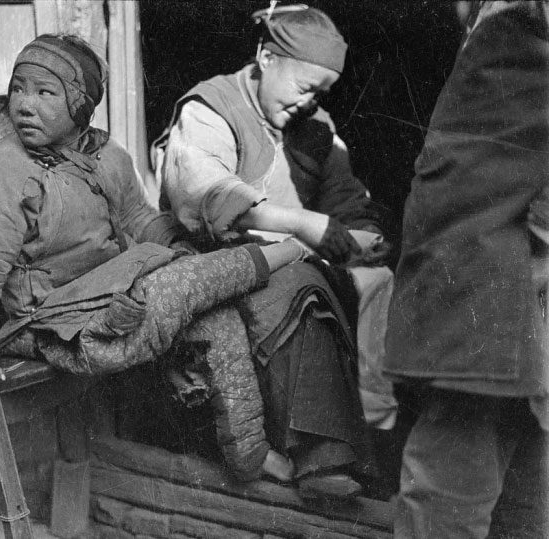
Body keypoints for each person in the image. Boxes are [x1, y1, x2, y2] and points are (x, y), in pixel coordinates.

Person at [0, 33, 321, 485]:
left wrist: (184, 251)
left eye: (44, 92)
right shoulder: (1, 170)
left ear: (81, 105)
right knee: (179, 287)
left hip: (108, 297)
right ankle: (294, 247)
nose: (24, 103)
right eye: (18, 88)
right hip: (48, 325)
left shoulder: (104, 156)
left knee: (212, 311)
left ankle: (249, 452)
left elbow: (139, 220)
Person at [154, 4, 396, 495]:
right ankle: (321, 457)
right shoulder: (211, 109)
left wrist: (363, 234)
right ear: (267, 56)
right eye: (306, 88)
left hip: (290, 259)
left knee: (379, 279)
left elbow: (346, 200)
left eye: (322, 94)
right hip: (217, 264)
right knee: (300, 288)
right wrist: (302, 223)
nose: (311, 103)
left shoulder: (315, 127)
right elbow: (204, 194)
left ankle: (378, 437)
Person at [385, 2, 549, 537]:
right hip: (503, 309)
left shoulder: (517, 19)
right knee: (518, 502)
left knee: (450, 498)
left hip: (493, 299)